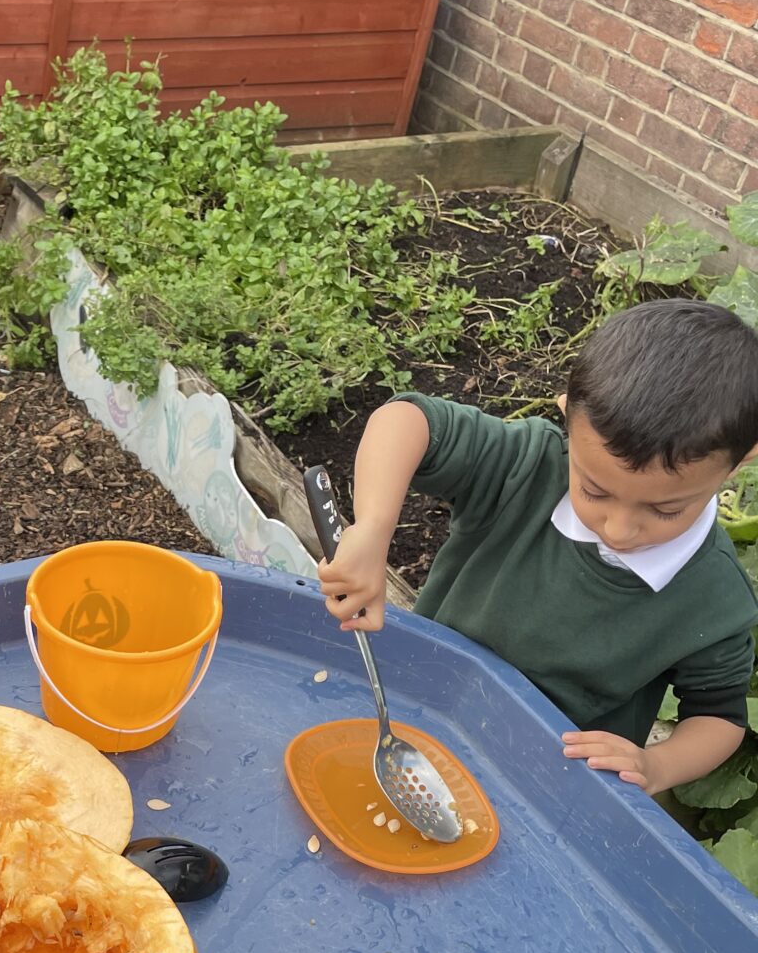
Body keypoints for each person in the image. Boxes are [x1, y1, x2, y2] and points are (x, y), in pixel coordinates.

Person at [317, 297, 758, 796]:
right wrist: (373, 529)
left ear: (742, 460)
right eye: (594, 490)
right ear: (570, 419)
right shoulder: (524, 468)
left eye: (664, 510)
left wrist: (656, 766)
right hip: (414, 708)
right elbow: (407, 420)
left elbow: (719, 716)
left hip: (546, 787)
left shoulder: (715, 599)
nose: (618, 529)